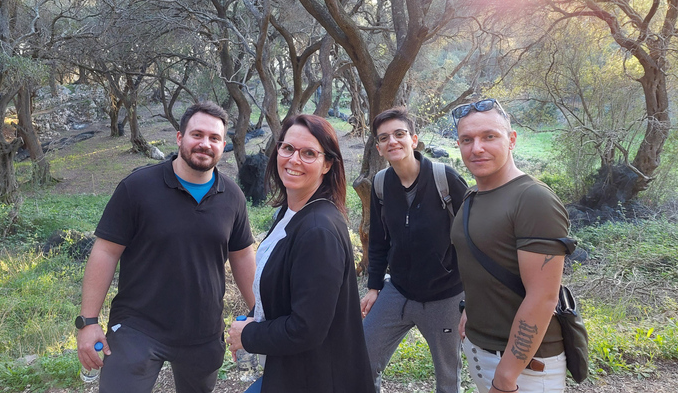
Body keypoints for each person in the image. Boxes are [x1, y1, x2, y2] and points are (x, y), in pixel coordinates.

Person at [75, 101, 256, 393]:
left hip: (203, 332)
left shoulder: (232, 196)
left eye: (214, 138)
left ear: (223, 145)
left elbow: (242, 256)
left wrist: (257, 313)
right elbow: (105, 252)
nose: (205, 144)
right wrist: (88, 322)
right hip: (138, 328)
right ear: (179, 137)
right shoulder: (138, 187)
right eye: (197, 135)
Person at [227, 114, 374, 393]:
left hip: (316, 378)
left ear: (327, 164)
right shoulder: (291, 212)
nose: (294, 160)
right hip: (290, 370)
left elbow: (306, 329)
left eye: (308, 153)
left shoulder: (318, 231)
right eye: (288, 148)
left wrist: (250, 335)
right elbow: (287, 287)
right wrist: (253, 316)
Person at [449, 99, 569, 393]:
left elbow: (543, 297)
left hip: (524, 367)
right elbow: (479, 264)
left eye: (489, 136)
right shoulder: (471, 195)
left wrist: (505, 378)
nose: (477, 148)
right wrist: (471, 310)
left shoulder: (533, 198)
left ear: (511, 140)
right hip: (480, 348)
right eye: (467, 139)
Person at [361, 107, 468, 393]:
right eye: (384, 138)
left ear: (414, 139)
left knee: (447, 379)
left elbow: (473, 239)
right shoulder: (382, 184)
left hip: (446, 295)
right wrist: (374, 287)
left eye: (399, 134)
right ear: (379, 148)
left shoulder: (445, 179)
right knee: (362, 357)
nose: (392, 141)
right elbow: (380, 239)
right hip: (398, 291)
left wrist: (474, 296)